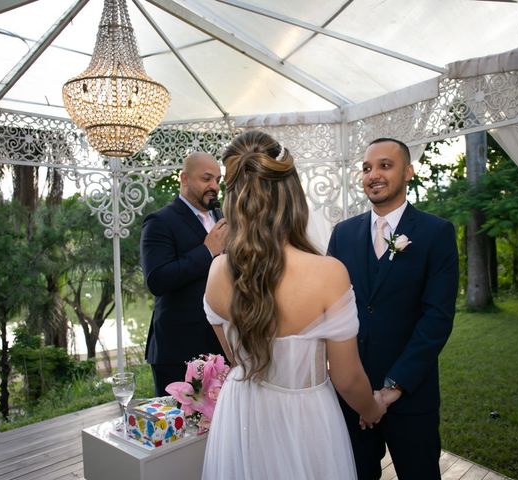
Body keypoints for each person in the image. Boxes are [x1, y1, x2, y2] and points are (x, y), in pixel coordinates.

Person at [201, 131, 386, 480]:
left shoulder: (216, 272)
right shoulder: (328, 273)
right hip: (305, 419)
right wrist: (372, 408)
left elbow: (236, 358)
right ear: (291, 195)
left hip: (241, 413)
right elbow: (347, 378)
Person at [327, 138, 459, 479]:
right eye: (367, 168)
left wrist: (391, 390)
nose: (374, 175)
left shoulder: (436, 232)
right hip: (350, 396)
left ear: (408, 172)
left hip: (411, 396)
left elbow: (437, 318)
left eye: (385, 165)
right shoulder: (343, 234)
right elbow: (328, 309)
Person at [140, 152, 228, 396]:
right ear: (185, 178)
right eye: (207, 178)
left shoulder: (221, 219)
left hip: (221, 346)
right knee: (182, 431)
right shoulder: (159, 221)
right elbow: (157, 279)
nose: (214, 186)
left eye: (218, 180)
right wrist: (208, 250)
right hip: (178, 351)